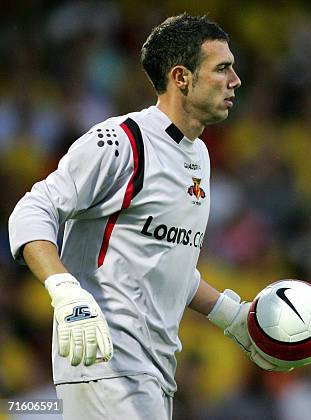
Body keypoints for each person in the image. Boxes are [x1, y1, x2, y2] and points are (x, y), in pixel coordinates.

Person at [8, 13, 288, 420]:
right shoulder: (120, 142)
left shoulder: (199, 155)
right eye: (222, 68)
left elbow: (165, 260)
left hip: (152, 369)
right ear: (182, 77)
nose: (236, 81)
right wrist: (67, 293)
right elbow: (31, 211)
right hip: (104, 359)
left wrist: (232, 317)